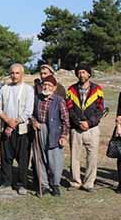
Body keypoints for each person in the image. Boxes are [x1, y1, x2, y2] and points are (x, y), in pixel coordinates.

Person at [0, 63, 34, 195]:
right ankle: (6, 182)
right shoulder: (4, 88)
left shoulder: (28, 89)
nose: (14, 75)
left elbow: (28, 111)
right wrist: (8, 121)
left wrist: (14, 123)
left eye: (17, 73)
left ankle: (22, 183)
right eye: (12, 73)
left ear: (22, 74)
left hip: (21, 128)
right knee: (6, 156)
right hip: (6, 126)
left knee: (23, 158)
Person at [66, 64, 104, 192]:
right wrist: (78, 122)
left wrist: (89, 122)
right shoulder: (71, 90)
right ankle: (75, 182)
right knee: (74, 156)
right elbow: (69, 109)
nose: (81, 75)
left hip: (92, 128)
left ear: (89, 74)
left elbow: (100, 110)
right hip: (76, 128)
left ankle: (89, 183)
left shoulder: (98, 89)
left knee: (92, 156)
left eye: (84, 72)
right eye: (79, 72)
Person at [31, 76, 69, 197]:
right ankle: (44, 185)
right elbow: (31, 114)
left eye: (49, 85)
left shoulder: (59, 100)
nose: (46, 87)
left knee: (55, 161)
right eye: (45, 85)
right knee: (40, 158)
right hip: (40, 129)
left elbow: (66, 120)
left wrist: (64, 136)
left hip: (54, 132)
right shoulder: (37, 98)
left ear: (54, 87)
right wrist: (33, 121)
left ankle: (55, 185)